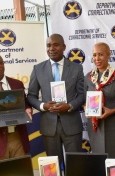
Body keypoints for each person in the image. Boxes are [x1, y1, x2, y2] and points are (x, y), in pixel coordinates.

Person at [27, 34, 85, 167]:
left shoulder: (76, 68)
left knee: (76, 165)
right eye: (48, 45)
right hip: (49, 126)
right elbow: (31, 96)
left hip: (71, 125)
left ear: (64, 47)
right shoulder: (38, 69)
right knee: (53, 168)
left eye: (56, 45)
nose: (51, 48)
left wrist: (70, 106)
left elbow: (82, 94)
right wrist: (43, 106)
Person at [84, 42, 115, 158]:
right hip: (94, 125)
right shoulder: (88, 77)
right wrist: (86, 109)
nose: (97, 58)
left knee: (114, 159)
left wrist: (111, 111)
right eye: (94, 55)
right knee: (98, 159)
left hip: (113, 123)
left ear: (108, 55)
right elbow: (83, 100)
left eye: (101, 54)